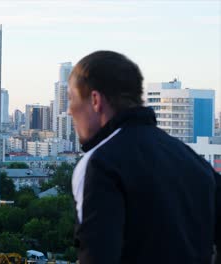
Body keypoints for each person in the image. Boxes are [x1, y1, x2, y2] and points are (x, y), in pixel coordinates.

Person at [68, 50, 220, 263]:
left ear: (95, 100)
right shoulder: (196, 163)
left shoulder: (101, 164)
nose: (69, 111)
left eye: (72, 99)